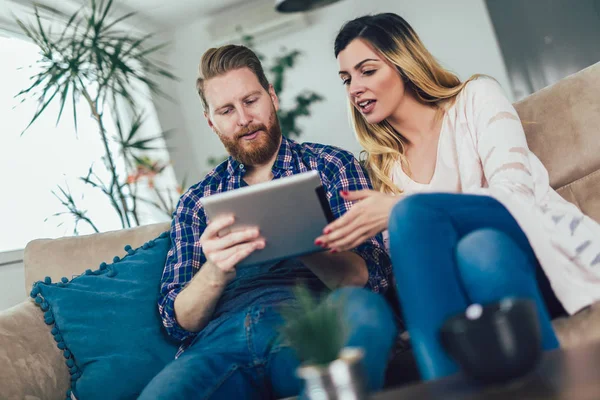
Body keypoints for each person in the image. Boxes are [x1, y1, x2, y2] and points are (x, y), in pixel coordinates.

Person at [316, 13, 600, 380]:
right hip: (473, 282)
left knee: (417, 215)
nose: (354, 88)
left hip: (542, 254)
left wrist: (406, 208)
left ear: (404, 63)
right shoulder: (384, 170)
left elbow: (517, 196)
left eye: (367, 71)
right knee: (480, 249)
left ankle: (444, 388)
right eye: (346, 79)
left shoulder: (476, 98)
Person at [139, 44, 398, 399]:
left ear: (272, 97)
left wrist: (301, 237)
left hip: (312, 318)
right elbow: (176, 320)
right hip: (221, 341)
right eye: (227, 110)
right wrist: (216, 268)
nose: (243, 118)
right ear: (211, 121)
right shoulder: (196, 203)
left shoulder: (331, 166)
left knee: (366, 311)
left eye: (251, 100)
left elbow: (372, 278)